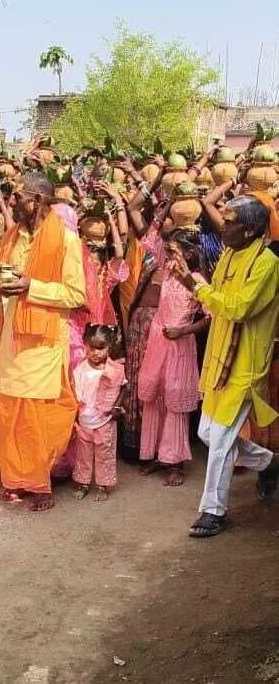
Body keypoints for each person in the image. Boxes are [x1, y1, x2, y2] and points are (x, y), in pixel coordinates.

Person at [0, 171, 86, 512]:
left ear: (39, 201)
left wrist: (33, 287)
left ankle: (40, 482)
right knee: (7, 410)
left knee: (37, 415)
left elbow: (76, 294)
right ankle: (15, 478)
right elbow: (1, 273)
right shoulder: (12, 237)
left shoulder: (68, 242)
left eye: (18, 197)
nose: (11, 203)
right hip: (8, 334)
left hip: (43, 341)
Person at [171, 196, 279, 537]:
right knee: (208, 434)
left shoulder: (266, 264)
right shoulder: (231, 252)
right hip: (219, 359)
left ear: (249, 231)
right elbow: (216, 296)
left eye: (230, 222)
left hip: (245, 364)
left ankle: (213, 512)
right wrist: (191, 279)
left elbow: (238, 308)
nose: (223, 226)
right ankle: (270, 463)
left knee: (218, 441)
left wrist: (196, 286)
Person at [138, 229, 208, 486]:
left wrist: (184, 330)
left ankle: (175, 461)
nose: (168, 256)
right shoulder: (165, 270)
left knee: (175, 399)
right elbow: (148, 239)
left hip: (180, 343)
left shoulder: (197, 280)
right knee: (154, 396)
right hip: (158, 340)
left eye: (173, 251)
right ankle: (156, 455)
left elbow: (211, 316)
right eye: (166, 251)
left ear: (189, 252)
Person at [72, 325, 126, 502]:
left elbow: (125, 387)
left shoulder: (115, 369)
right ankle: (83, 483)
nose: (95, 352)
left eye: (100, 348)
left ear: (109, 346)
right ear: (85, 345)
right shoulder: (80, 369)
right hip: (84, 421)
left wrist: (117, 407)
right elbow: (74, 394)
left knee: (105, 454)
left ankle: (102, 485)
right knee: (83, 455)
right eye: (91, 347)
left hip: (105, 420)